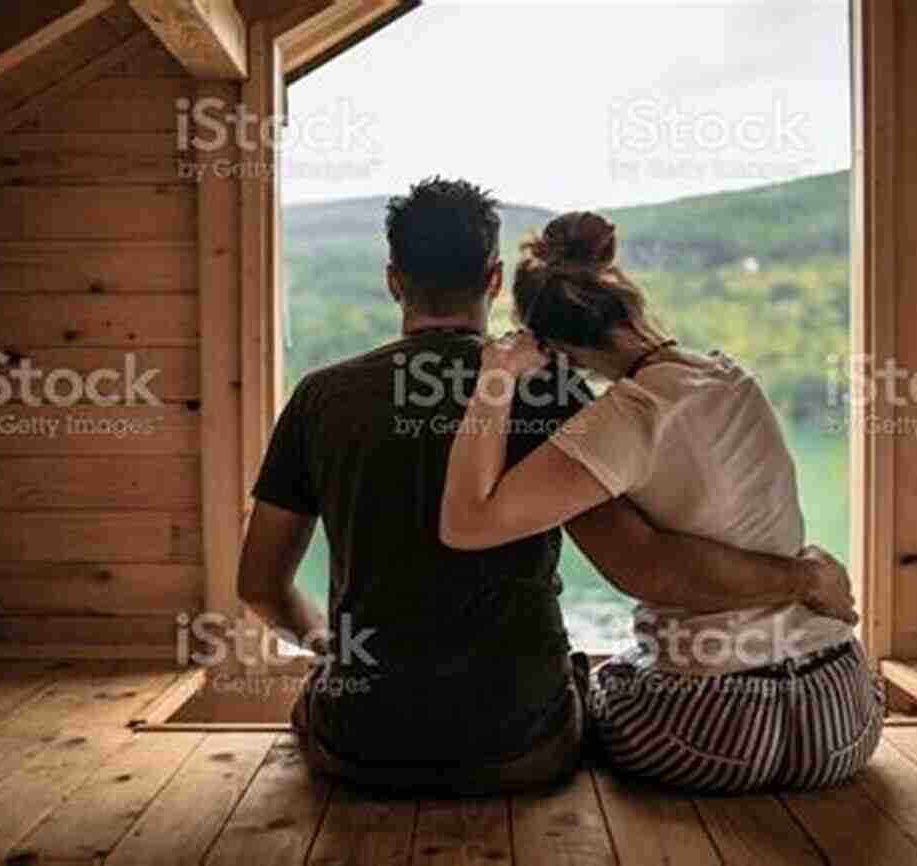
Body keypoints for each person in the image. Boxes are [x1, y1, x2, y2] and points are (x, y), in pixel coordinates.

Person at [237, 179, 857, 796]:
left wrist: (332, 651)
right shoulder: (553, 391)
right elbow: (638, 559)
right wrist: (800, 578)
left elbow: (260, 586)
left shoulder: (319, 398)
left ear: (394, 279)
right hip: (525, 745)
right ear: (494, 279)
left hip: (362, 743)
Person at [439, 210, 883, 793]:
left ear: (554, 348)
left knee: (592, 690)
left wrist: (497, 377)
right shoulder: (728, 376)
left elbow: (467, 523)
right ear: (624, 302)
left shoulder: (626, 415)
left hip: (710, 731)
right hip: (843, 715)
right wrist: (804, 577)